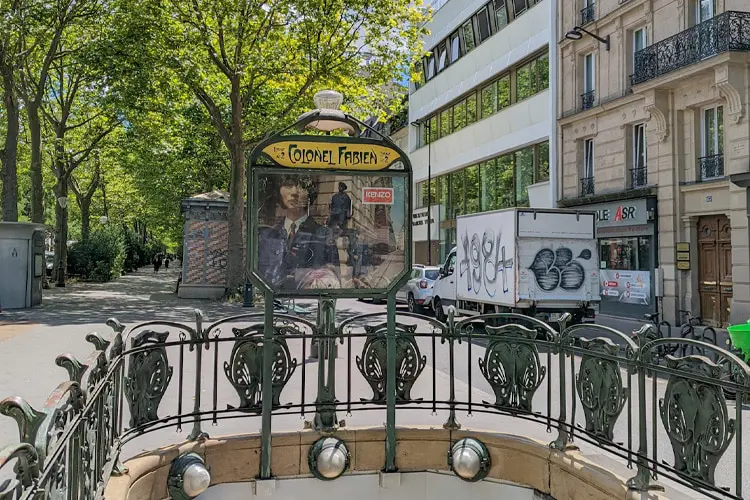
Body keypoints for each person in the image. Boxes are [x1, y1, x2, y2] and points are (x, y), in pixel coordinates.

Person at [257, 174, 340, 290]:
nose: (294, 192)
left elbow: (333, 279)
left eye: (302, 187)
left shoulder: (323, 235)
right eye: (289, 185)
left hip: (309, 303)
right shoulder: (267, 236)